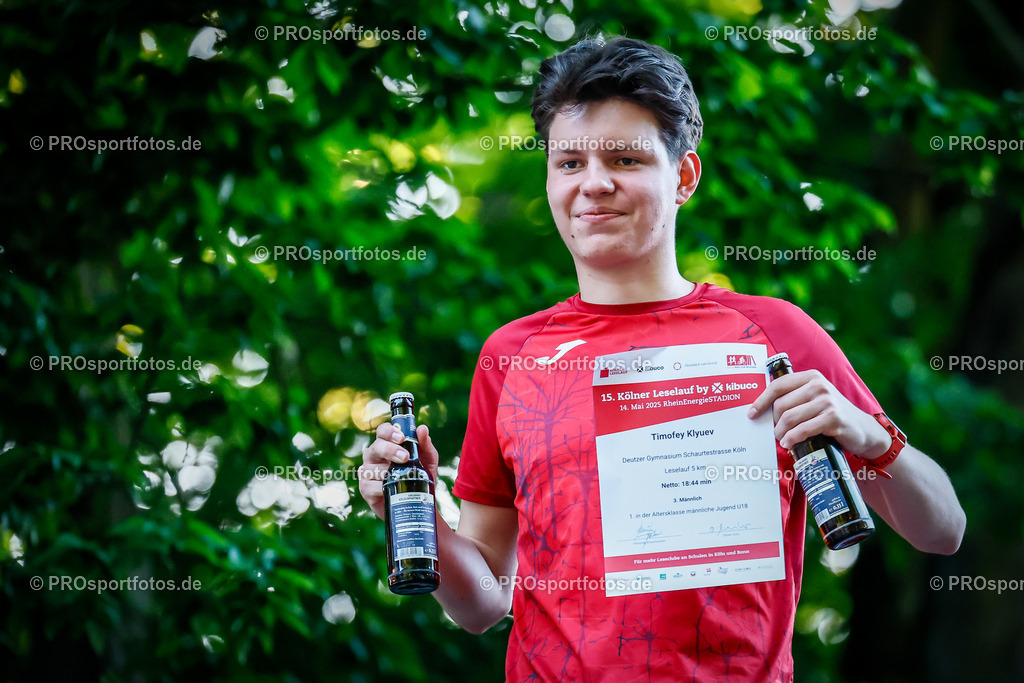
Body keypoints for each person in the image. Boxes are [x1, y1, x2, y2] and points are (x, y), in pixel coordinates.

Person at [359, 35, 965, 682]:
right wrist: (409, 510)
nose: (594, 183)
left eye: (624, 158)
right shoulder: (510, 357)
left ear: (683, 176)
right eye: (569, 163)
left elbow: (943, 530)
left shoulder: (773, 333)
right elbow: (482, 603)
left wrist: (866, 432)